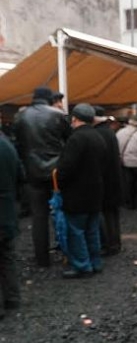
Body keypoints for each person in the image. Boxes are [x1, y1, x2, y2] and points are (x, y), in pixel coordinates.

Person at [13, 86, 71, 266]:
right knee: (66, 211)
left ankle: (42, 258)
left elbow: (18, 144)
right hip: (56, 171)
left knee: (39, 217)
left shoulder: (20, 116)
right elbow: (69, 141)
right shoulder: (58, 115)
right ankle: (69, 252)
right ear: (49, 98)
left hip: (32, 172)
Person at [56, 104, 107, 278]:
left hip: (77, 193)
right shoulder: (98, 136)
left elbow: (66, 168)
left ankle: (82, 266)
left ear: (75, 119)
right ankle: (95, 262)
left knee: (76, 231)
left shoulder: (76, 139)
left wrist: (59, 183)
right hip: (96, 191)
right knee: (92, 230)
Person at [94, 106, 123, 256]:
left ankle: (109, 244)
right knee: (112, 213)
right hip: (114, 178)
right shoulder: (109, 132)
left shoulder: (99, 133)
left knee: (106, 214)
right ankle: (115, 243)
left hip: (105, 179)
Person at [0, 132, 24, 319]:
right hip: (7, 209)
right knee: (7, 256)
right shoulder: (7, 144)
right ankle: (12, 297)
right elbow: (20, 175)